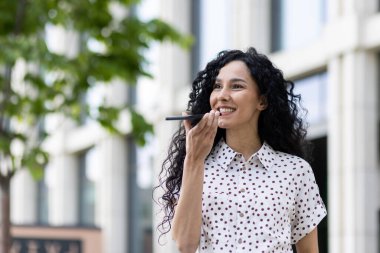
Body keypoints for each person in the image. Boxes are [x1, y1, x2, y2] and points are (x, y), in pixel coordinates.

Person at [155, 47, 327, 253]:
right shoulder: (197, 166)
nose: (222, 95)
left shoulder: (295, 171)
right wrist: (194, 159)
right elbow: (185, 245)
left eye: (236, 86)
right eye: (217, 86)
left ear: (262, 101)